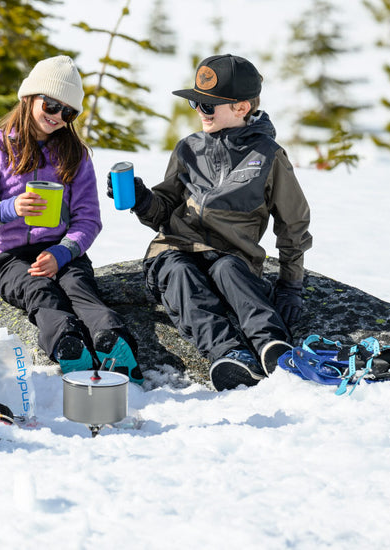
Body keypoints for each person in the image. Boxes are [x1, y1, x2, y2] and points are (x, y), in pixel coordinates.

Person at [109, 54, 312, 391]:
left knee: (229, 272)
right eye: (197, 103)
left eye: (208, 105)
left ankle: (271, 344)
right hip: (176, 247)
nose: (200, 111)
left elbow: (293, 222)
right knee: (179, 273)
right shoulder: (187, 149)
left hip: (233, 252)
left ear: (241, 108)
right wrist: (143, 200)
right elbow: (164, 209)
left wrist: (291, 285)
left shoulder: (268, 155)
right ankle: (229, 353)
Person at [0, 55, 143, 384]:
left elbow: (88, 219)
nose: (57, 117)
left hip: (63, 250)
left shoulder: (75, 154)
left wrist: (62, 253)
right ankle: (68, 346)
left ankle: (114, 344)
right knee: (39, 290)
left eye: (68, 112)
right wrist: (10, 207)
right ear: (29, 98)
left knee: (79, 288)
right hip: (11, 256)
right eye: (51, 105)